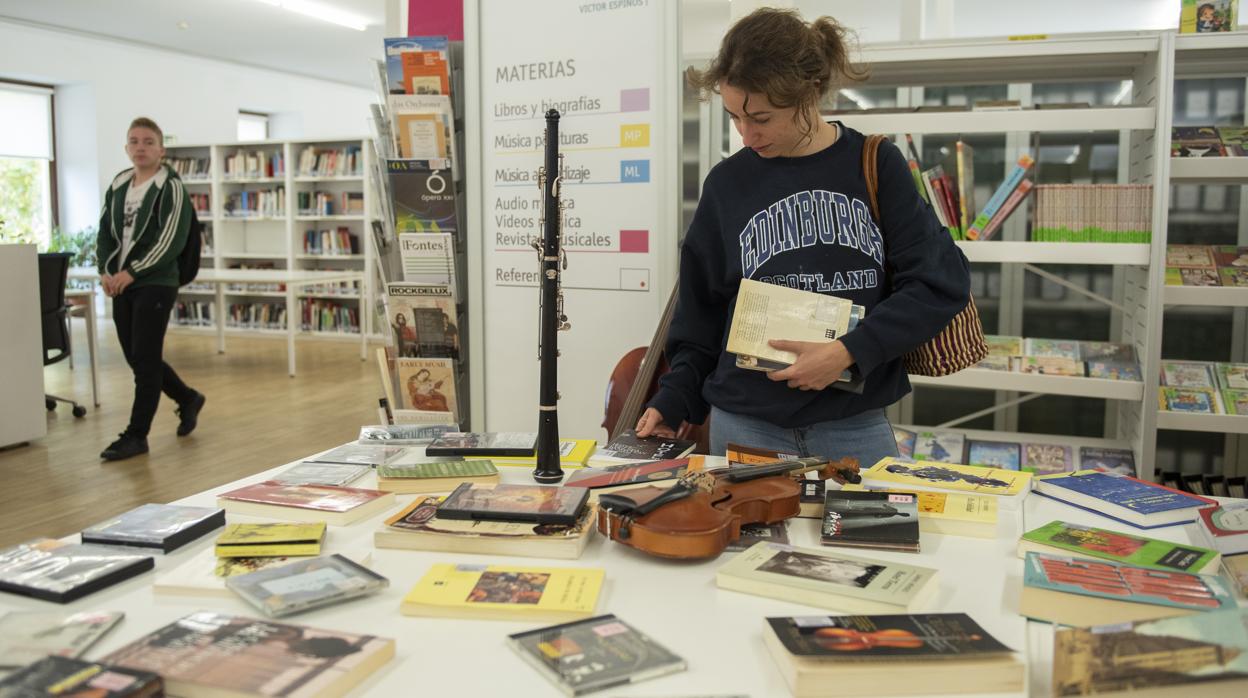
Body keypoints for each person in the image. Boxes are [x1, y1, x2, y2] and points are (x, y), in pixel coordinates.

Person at [636, 8, 971, 469]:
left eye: (762, 117)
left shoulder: (875, 164)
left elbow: (938, 283)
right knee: (750, 542)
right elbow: (701, 315)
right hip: (743, 423)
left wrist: (849, 351)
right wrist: (674, 397)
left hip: (853, 423)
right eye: (735, 116)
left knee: (867, 543)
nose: (747, 134)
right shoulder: (726, 184)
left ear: (809, 93)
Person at [96, 117, 205, 461]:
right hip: (121, 282)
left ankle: (136, 435)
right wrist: (106, 271)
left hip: (155, 283)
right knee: (137, 358)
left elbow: (170, 240)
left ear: (161, 149)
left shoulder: (170, 187)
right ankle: (187, 398)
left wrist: (133, 271)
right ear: (126, 148)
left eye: (147, 142)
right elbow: (104, 232)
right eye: (134, 141)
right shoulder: (119, 184)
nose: (140, 147)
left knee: (144, 359)